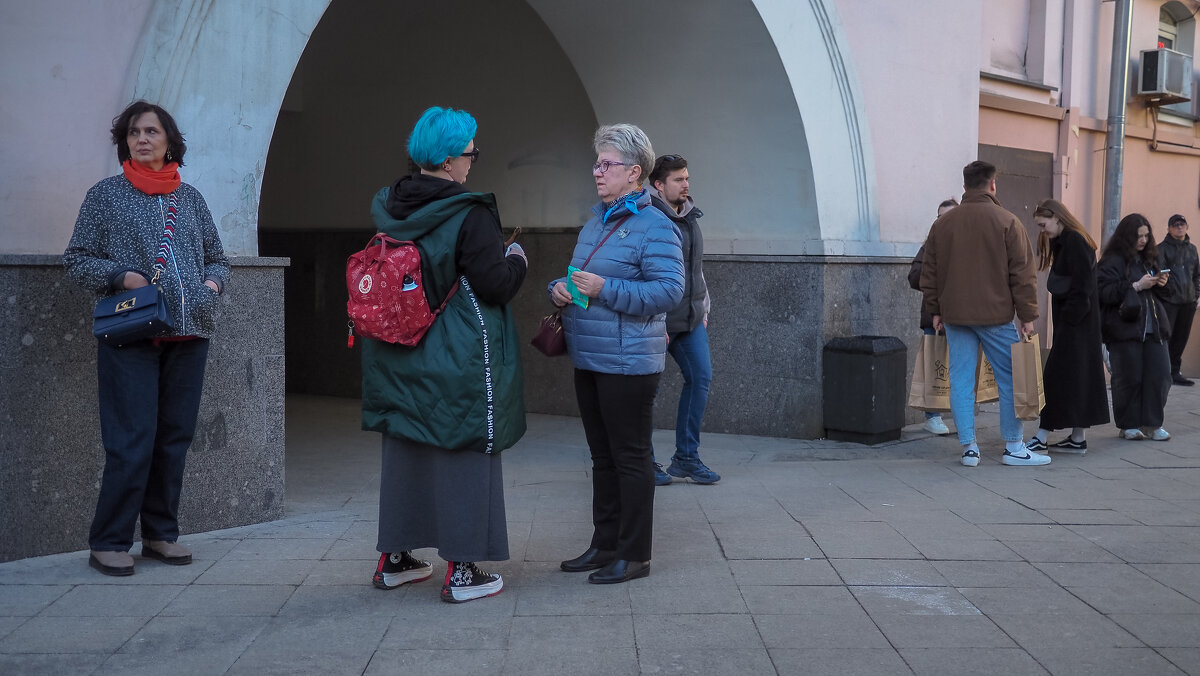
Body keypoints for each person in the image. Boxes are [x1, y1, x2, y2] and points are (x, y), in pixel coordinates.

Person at [362, 106, 528, 603]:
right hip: (454, 350)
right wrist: (516, 258)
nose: (473, 162)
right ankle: (463, 572)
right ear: (451, 159)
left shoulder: (388, 205)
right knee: (464, 445)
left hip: (394, 347)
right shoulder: (468, 212)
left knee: (406, 445)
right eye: (471, 153)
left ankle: (395, 559)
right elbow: (495, 285)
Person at [64, 101, 230, 576]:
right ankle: (110, 540)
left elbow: (217, 258)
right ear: (126, 141)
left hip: (189, 332)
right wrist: (123, 277)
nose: (142, 138)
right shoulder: (105, 196)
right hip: (130, 335)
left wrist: (210, 287)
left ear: (169, 141)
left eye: (152, 131)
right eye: (135, 132)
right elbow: (76, 260)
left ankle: (160, 533)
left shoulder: (191, 198)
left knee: (173, 439)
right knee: (132, 440)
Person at [552, 124, 684, 584]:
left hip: (629, 363)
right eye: (596, 163)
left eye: (606, 164)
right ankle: (604, 544)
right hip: (589, 355)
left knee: (630, 458)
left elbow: (669, 291)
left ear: (633, 172)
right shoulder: (597, 222)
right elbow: (579, 275)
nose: (597, 171)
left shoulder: (656, 225)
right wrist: (561, 289)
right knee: (601, 457)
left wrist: (606, 288)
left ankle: (634, 554)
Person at [920, 160, 1047, 467]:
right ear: (992, 184)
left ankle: (969, 449)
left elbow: (930, 272)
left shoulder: (943, 224)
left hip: (955, 316)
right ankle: (1014, 446)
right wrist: (1026, 316)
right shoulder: (1007, 221)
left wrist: (935, 310)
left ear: (964, 187)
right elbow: (1022, 274)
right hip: (996, 316)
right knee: (1010, 379)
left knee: (960, 380)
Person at [645, 153, 719, 485]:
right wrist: (654, 320)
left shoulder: (690, 216)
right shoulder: (647, 218)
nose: (686, 184)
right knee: (646, 392)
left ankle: (686, 458)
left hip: (690, 320)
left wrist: (703, 309)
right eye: (678, 179)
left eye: (687, 178)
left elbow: (695, 269)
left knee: (700, 378)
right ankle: (643, 461)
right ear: (658, 185)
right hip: (657, 322)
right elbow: (644, 272)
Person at [1023, 199, 1109, 454]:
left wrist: (1068, 322)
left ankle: (1041, 435)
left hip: (1075, 327)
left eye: (1043, 224)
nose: (1042, 230)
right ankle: (1077, 438)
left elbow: (1082, 288)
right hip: (1081, 326)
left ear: (1057, 218)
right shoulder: (1072, 240)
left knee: (1055, 378)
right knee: (1078, 379)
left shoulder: (1073, 241)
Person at [1097, 214, 1172, 441]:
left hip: (1154, 328)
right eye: (1138, 236)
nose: (1143, 240)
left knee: (1160, 375)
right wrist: (1136, 286)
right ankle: (1129, 424)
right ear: (1127, 236)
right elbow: (1102, 292)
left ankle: (1152, 423)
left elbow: (1167, 295)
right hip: (1125, 329)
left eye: (1146, 235)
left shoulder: (1149, 259)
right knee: (1129, 378)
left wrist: (1162, 283)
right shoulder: (1112, 261)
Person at [908, 197, 959, 435]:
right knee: (935, 366)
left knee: (961, 368)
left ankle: (961, 415)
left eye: (948, 216)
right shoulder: (930, 245)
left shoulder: (967, 244)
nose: (943, 221)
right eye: (939, 217)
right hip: (934, 316)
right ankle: (933, 415)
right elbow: (914, 276)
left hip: (962, 316)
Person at [1157, 214, 1200, 386]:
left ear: (1187, 227)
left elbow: (1197, 275)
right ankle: (1163, 372)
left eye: (1182, 224)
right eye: (1175, 225)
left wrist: (1195, 296)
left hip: (1188, 302)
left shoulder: (1192, 249)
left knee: (1181, 338)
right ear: (1168, 229)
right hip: (1169, 302)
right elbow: (1160, 274)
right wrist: (1168, 294)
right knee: (1167, 337)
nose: (1179, 227)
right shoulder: (1160, 249)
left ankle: (1175, 372)